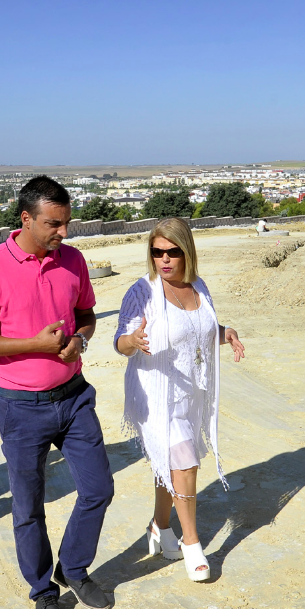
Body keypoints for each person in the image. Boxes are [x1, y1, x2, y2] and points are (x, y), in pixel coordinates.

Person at [0, 175, 114, 609]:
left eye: (66, 223)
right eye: (54, 224)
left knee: (98, 489)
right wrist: (36, 344)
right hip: (20, 407)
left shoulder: (74, 260)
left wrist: (80, 341)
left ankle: (74, 568)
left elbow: (86, 316)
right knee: (28, 506)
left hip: (74, 397)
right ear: (26, 219)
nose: (63, 233)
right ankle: (43, 591)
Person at [113, 217, 245, 581]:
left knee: (168, 464)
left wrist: (225, 333)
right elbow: (120, 340)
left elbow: (200, 330)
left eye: (172, 251)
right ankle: (192, 544)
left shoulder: (198, 287)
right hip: (156, 397)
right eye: (157, 252)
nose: (165, 259)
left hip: (190, 395)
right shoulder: (142, 291)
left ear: (187, 251)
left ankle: (160, 526)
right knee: (185, 463)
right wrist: (132, 342)